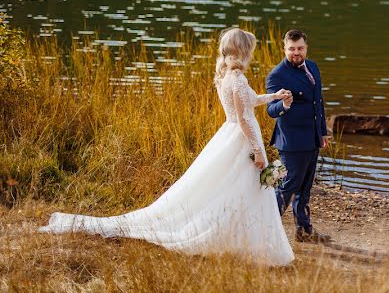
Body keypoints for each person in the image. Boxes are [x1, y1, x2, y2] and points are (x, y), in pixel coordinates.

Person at [40, 28, 295, 266]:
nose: (251, 53)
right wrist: (258, 150)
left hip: (232, 137)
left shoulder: (228, 75)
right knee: (239, 190)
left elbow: (249, 102)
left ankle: (238, 239)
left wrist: (274, 96)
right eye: (249, 48)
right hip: (241, 139)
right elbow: (242, 118)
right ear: (242, 50)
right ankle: (236, 240)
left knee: (233, 189)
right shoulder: (237, 78)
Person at [266, 29, 331, 243]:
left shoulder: (313, 67)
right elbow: (270, 110)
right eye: (292, 49)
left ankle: (304, 231)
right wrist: (284, 104)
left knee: (305, 187)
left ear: (306, 48)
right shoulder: (277, 75)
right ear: (284, 49)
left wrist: (322, 132)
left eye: (300, 48)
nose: (296, 53)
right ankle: (265, 230)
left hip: (311, 138)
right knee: (289, 186)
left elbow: (318, 103)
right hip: (292, 142)